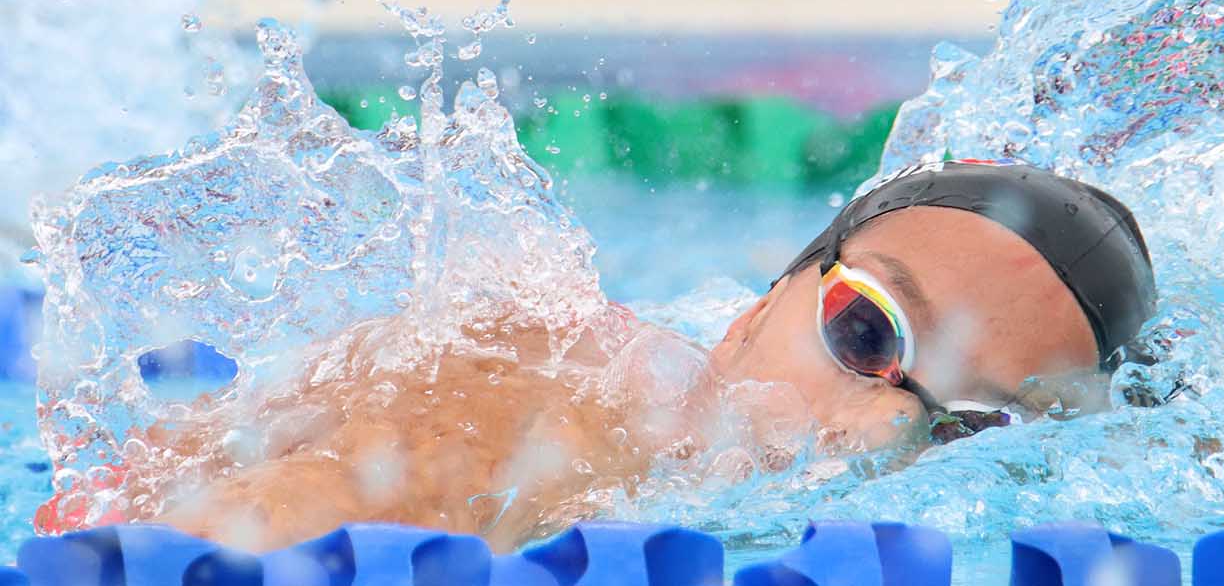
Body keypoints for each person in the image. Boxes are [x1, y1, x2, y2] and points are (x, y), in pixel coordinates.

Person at [93, 158, 1156, 550]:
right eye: (865, 333)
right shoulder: (542, 406)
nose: (883, 428)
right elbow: (208, 548)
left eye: (965, 427)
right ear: (756, 309)